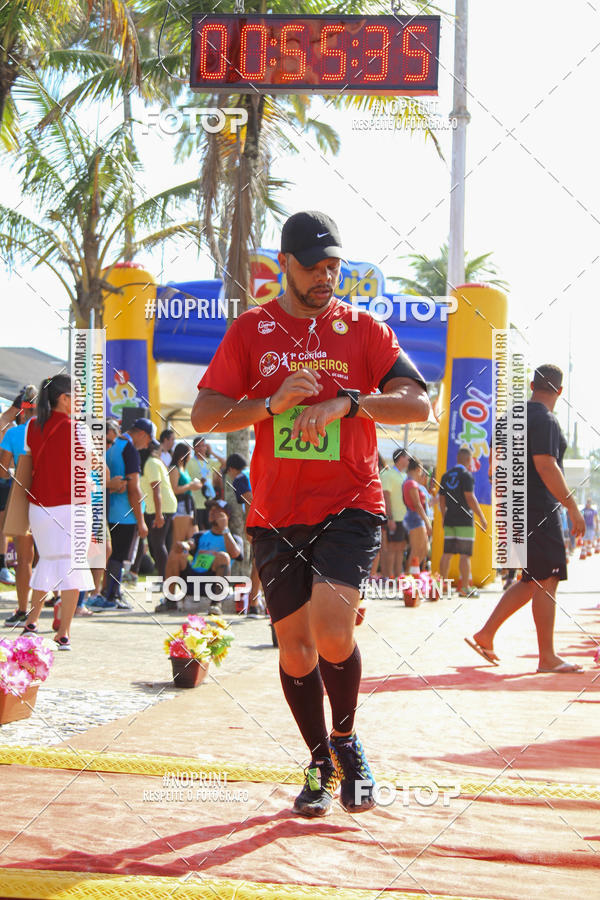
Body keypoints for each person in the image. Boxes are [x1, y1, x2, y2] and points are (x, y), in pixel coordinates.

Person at [191, 210, 430, 817]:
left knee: (331, 628)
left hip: (350, 502)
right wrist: (269, 405)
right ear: (286, 266)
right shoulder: (252, 331)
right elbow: (204, 415)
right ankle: (319, 760)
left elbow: (416, 402)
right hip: (275, 513)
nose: (328, 277)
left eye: (335, 266)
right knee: (295, 651)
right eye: (317, 266)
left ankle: (347, 741)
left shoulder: (362, 329)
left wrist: (351, 404)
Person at [466, 364, 586, 673]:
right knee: (547, 579)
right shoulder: (545, 420)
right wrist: (572, 507)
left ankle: (486, 634)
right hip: (538, 507)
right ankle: (547, 657)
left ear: (532, 384)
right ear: (560, 391)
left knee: (533, 578)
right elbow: (546, 465)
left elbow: (494, 469)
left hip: (514, 507)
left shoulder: (508, 418)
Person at [20, 374, 94, 649]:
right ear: (64, 399)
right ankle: (63, 632)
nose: (81, 401)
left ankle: (31, 622)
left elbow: (30, 459)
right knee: (73, 565)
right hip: (72, 506)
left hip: (39, 506)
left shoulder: (31, 426)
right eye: (77, 395)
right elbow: (88, 464)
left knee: (47, 561)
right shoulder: (78, 428)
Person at [87, 418, 153, 610]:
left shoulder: (111, 444)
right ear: (142, 434)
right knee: (117, 555)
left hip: (103, 508)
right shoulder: (128, 448)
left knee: (103, 554)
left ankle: (100, 593)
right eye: (149, 440)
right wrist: (141, 521)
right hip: (124, 512)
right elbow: (134, 488)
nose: (147, 445)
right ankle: (111, 595)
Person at [162, 499, 243, 616]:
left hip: (213, 583)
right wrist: (183, 545)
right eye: (211, 510)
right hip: (192, 580)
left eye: (217, 510)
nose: (211, 512)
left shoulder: (234, 538)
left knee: (223, 557)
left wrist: (225, 528)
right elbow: (190, 543)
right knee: (175, 554)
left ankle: (216, 604)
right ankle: (169, 601)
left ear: (226, 515)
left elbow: (236, 554)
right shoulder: (201, 535)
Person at [1, 385, 37, 625]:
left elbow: (3, 471)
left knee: (24, 558)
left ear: (22, 411)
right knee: (54, 556)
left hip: (23, 495)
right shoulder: (54, 430)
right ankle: (58, 614)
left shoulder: (13, 434)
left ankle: (24, 609)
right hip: (55, 497)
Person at [438, 446, 487, 597]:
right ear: (468, 460)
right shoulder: (466, 475)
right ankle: (464, 588)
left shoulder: (446, 476)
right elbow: (470, 498)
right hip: (465, 519)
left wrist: (443, 516)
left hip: (450, 518)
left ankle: (443, 586)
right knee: (465, 555)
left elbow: (441, 498)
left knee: (447, 553)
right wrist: (482, 517)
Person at [140, 439, 177, 580]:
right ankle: (166, 578)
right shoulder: (153, 462)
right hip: (159, 507)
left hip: (162, 507)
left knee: (158, 544)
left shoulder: (151, 463)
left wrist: (159, 514)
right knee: (158, 544)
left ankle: (166, 579)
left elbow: (157, 490)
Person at [380, 448, 409, 579]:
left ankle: (398, 577)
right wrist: (390, 518)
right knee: (390, 548)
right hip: (394, 518)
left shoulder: (404, 476)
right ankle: (387, 576)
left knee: (401, 547)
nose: (408, 460)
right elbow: (385, 496)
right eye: (406, 457)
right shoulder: (388, 474)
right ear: (400, 458)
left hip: (404, 518)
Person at [402, 457, 432, 569]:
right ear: (418, 468)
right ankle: (409, 578)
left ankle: (413, 575)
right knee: (416, 550)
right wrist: (427, 522)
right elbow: (417, 505)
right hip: (415, 518)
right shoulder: (410, 483)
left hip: (416, 518)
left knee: (423, 550)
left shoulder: (410, 483)